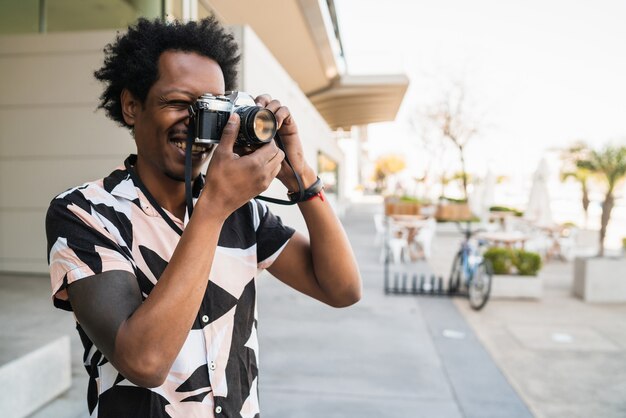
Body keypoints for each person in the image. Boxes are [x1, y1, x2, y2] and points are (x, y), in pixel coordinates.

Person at [45, 17, 361, 418]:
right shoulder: (85, 212)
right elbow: (143, 362)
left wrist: (300, 174)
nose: (196, 124)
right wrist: (212, 208)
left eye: (211, 108)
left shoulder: (242, 211)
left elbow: (342, 289)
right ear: (131, 106)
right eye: (178, 104)